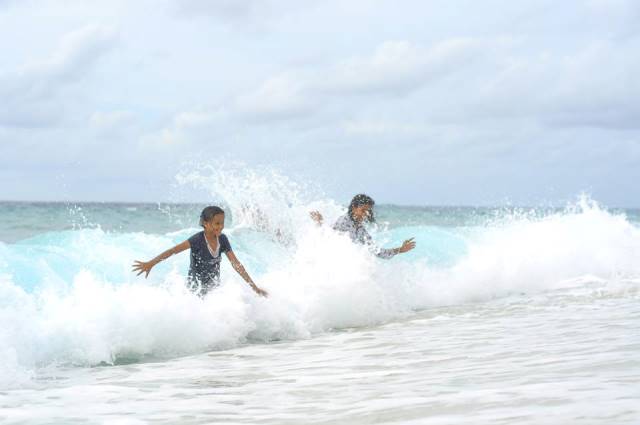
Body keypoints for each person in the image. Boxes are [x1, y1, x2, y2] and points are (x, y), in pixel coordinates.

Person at [132, 206, 268, 298]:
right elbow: (172, 251)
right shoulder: (197, 240)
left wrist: (254, 287)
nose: (220, 227)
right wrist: (151, 263)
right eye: (217, 223)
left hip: (214, 288)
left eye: (222, 223)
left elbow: (236, 264)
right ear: (206, 223)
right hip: (194, 290)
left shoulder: (223, 239)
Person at [310, 194, 416, 258]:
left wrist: (400, 250)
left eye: (369, 211)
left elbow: (377, 252)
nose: (366, 214)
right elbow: (327, 236)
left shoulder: (361, 230)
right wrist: (320, 223)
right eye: (363, 210)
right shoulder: (344, 222)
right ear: (354, 208)